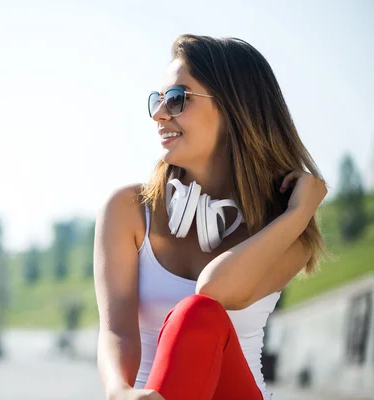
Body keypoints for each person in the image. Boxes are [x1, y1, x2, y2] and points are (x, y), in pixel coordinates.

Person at [93, 34, 327, 400]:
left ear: (234, 107)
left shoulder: (284, 225)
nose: (158, 114)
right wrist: (119, 392)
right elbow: (117, 331)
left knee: (198, 315)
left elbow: (213, 290)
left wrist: (298, 214)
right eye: (158, 100)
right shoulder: (128, 210)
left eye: (176, 99)